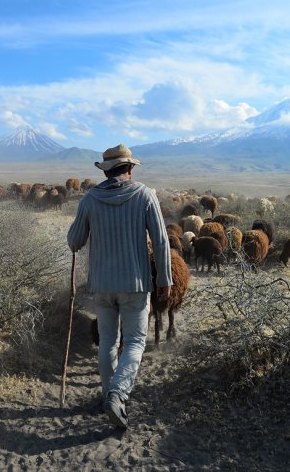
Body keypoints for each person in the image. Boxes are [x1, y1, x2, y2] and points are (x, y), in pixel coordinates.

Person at [67, 144, 172, 429]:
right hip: (136, 284)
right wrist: (164, 280)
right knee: (136, 342)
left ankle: (106, 396)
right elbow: (162, 242)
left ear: (106, 170)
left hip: (101, 285)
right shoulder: (145, 195)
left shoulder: (89, 199)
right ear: (130, 168)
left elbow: (74, 241)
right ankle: (118, 394)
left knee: (108, 342)